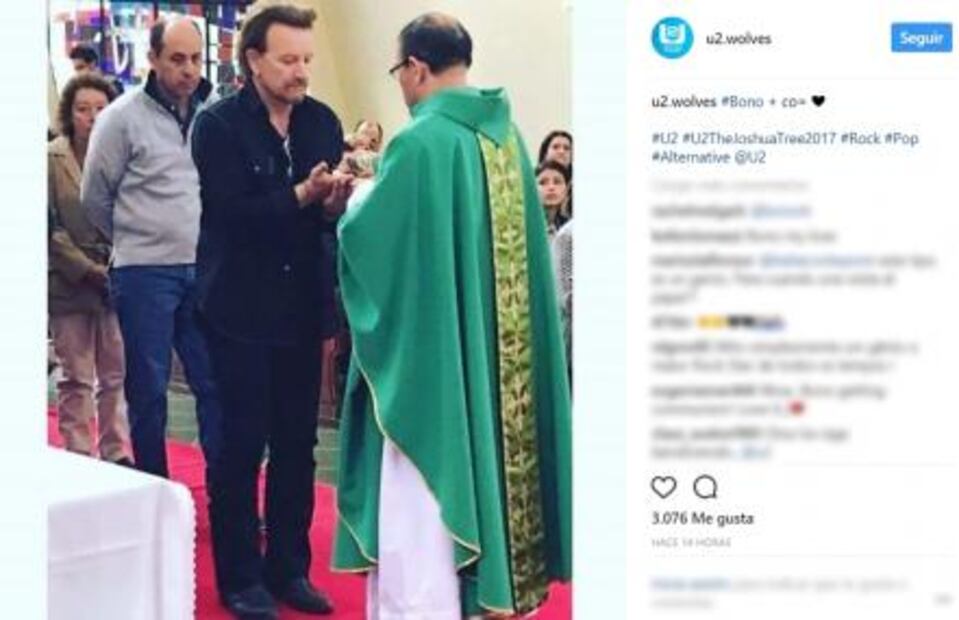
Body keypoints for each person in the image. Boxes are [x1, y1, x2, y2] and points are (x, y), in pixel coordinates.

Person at [332, 13, 571, 619]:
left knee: (420, 506)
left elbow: (376, 241)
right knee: (490, 452)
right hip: (495, 359)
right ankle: (490, 591)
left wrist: (355, 199)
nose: (400, 84)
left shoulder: (419, 142)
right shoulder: (508, 136)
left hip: (433, 364)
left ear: (416, 67)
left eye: (398, 71)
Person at [191, 4, 351, 618]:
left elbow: (322, 225)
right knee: (240, 446)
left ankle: (290, 569)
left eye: (307, 59)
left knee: (297, 445)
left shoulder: (322, 121)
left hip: (302, 309)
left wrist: (331, 204)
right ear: (253, 59)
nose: (301, 71)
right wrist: (303, 193)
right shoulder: (218, 126)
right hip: (239, 308)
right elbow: (232, 217)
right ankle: (240, 578)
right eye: (288, 59)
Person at [81, 18, 222, 479]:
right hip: (143, 272)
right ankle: (154, 490)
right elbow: (94, 197)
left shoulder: (213, 112)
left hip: (202, 268)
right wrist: (135, 238)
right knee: (149, 390)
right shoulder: (121, 118)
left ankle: (225, 492)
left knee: (214, 383)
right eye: (177, 59)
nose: (189, 70)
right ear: (153, 59)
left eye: (196, 59)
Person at [48, 73, 131, 466]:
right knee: (76, 376)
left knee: (114, 375)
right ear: (70, 114)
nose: (93, 117)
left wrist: (113, 264)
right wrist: (86, 268)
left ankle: (116, 451)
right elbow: (48, 227)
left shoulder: (124, 155)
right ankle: (79, 454)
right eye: (83, 109)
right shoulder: (51, 158)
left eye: (101, 108)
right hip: (68, 281)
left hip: (115, 278)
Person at [536, 159, 571, 236]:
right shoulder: (523, 223)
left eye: (557, 182)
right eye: (542, 183)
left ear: (566, 190)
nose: (551, 187)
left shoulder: (571, 227)